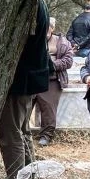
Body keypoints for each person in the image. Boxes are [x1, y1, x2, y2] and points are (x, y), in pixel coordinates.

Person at [0, 0, 49, 179]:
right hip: (29, 77)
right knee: (23, 131)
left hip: (20, 79)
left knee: (11, 133)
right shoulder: (38, 0)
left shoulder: (28, 0)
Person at [32, 17, 74, 147]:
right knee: (24, 107)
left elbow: (68, 60)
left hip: (52, 80)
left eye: (48, 27)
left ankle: (46, 136)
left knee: (48, 108)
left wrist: (51, 65)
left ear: (52, 28)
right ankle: (23, 134)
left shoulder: (62, 42)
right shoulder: (32, 40)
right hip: (32, 79)